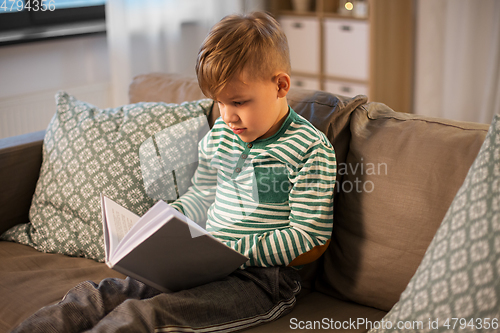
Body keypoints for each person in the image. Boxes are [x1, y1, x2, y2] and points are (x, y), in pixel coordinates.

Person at [12, 11, 336, 332]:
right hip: (199, 263)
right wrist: (168, 219)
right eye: (220, 103)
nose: (227, 116)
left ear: (280, 85)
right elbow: (203, 194)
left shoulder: (308, 148)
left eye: (238, 102)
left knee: (142, 318)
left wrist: (234, 253)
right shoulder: (222, 135)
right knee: (97, 297)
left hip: (262, 278)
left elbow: (311, 239)